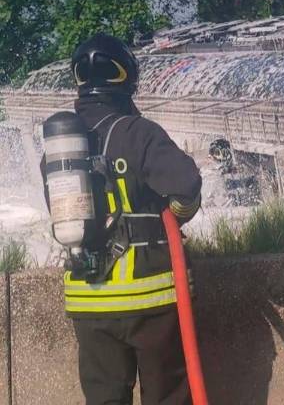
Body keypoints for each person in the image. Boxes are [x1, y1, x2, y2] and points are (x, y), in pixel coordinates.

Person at [40, 33, 202, 405]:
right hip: (150, 297)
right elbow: (187, 188)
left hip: (87, 300)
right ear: (125, 79)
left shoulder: (57, 150)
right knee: (168, 396)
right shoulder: (139, 134)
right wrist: (173, 222)